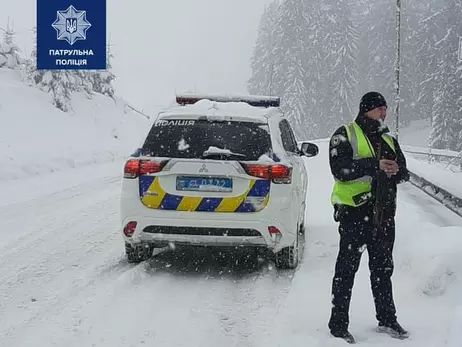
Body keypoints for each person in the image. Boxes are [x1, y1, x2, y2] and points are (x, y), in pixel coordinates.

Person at [327, 91, 410, 343]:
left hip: (383, 215)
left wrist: (396, 170)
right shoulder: (345, 133)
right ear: (366, 110)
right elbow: (339, 169)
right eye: (379, 109)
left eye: (385, 108)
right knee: (346, 270)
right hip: (355, 213)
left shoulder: (389, 138)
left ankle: (387, 319)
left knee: (383, 270)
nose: (384, 113)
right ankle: (338, 325)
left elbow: (404, 171)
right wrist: (374, 166)